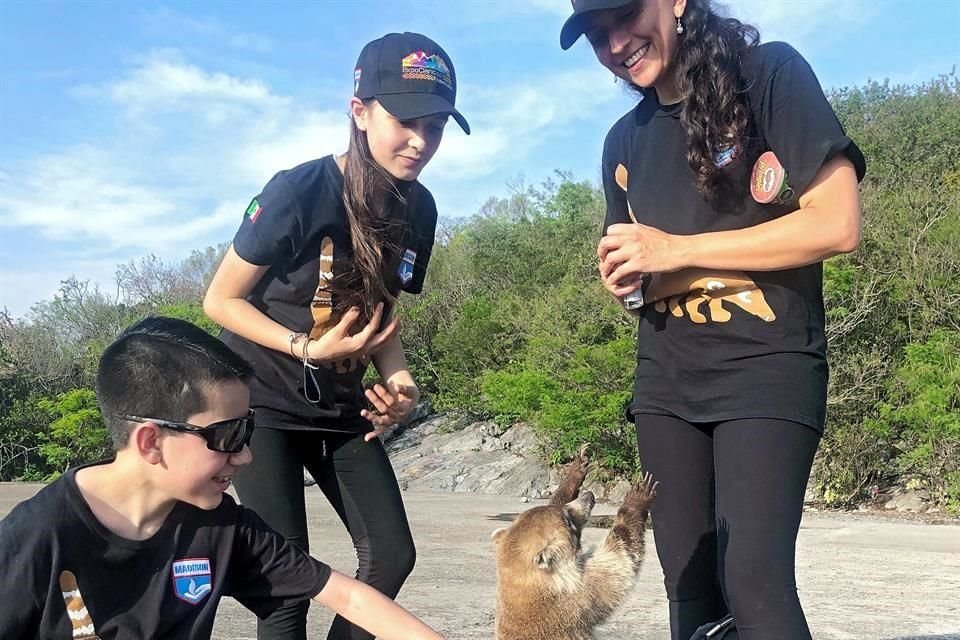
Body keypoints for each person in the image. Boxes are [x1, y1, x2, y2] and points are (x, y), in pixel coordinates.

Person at [560, 1, 866, 639]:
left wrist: (676, 250)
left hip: (767, 366)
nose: (615, 42)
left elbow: (836, 224)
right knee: (688, 583)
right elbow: (641, 283)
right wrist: (629, 282)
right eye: (596, 32)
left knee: (753, 580)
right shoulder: (623, 141)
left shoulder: (769, 76)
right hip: (667, 384)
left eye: (625, 14)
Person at [202, 31, 469, 640]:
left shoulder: (419, 209)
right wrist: (306, 348)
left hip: (344, 411)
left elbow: (382, 317)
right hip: (262, 405)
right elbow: (220, 299)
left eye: (436, 126)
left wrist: (399, 381)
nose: (421, 141)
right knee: (286, 587)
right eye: (405, 120)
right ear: (360, 111)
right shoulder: (298, 191)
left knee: (393, 554)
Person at [0, 317, 443, 640]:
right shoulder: (36, 538)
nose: (247, 456)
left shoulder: (223, 527)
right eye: (229, 436)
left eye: (248, 430)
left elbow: (349, 598)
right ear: (151, 442)